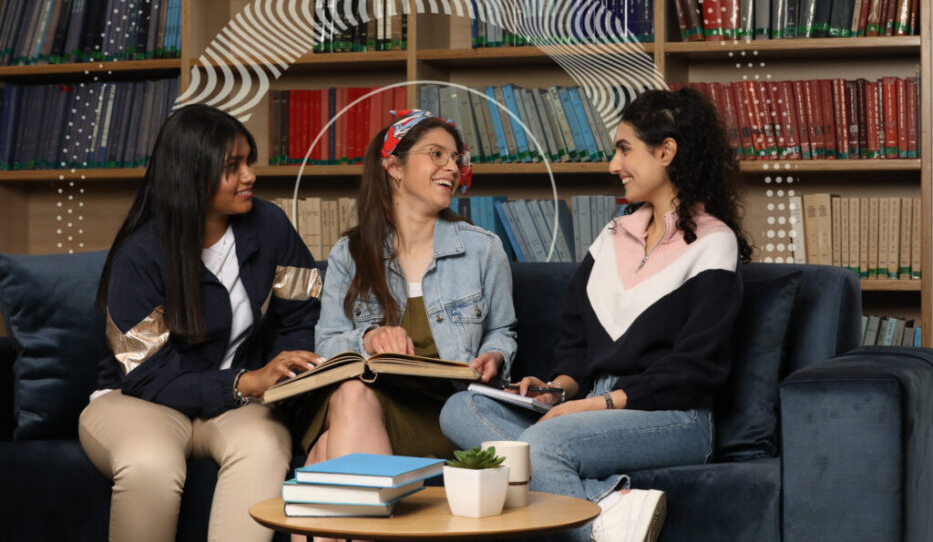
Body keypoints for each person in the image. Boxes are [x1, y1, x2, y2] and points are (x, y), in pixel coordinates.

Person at [440, 87, 752, 542]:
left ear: (666, 152)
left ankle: (591, 520)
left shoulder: (713, 243)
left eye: (624, 149)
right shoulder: (611, 237)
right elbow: (577, 346)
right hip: (593, 410)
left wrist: (596, 404)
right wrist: (556, 390)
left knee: (540, 447)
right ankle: (611, 507)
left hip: (675, 415)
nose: (613, 165)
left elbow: (695, 368)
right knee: (460, 408)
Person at [78, 104, 324, 542]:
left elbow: (301, 313)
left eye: (248, 160)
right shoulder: (141, 254)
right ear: (191, 175)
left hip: (236, 406)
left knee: (265, 448)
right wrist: (244, 382)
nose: (250, 175)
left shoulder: (270, 226)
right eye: (233, 167)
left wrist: (286, 371)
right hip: (139, 402)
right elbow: (148, 376)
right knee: (150, 464)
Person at [293, 109, 517, 507]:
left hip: (450, 409)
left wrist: (496, 354)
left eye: (455, 158)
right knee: (350, 393)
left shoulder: (483, 248)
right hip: (375, 404)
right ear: (394, 166)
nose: (452, 166)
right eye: (436, 154)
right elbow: (325, 342)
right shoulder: (351, 253)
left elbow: (503, 330)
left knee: (325, 453)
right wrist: (370, 337)